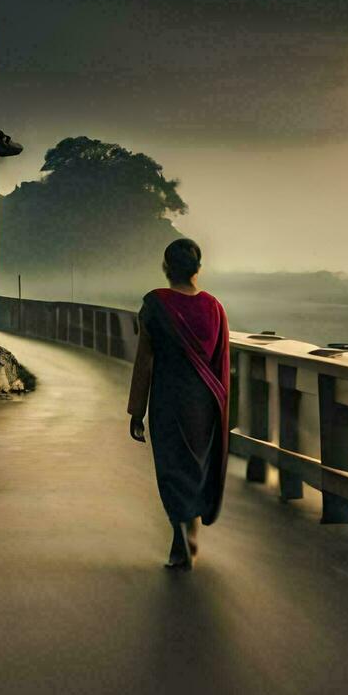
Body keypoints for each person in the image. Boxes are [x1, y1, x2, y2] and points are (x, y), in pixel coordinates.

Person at [126, 238, 230, 569]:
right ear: (197, 269)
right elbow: (220, 362)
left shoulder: (155, 305)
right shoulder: (214, 308)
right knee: (197, 467)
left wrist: (136, 411)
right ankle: (191, 533)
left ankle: (179, 538)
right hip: (204, 404)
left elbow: (145, 361)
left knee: (172, 470)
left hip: (167, 401)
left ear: (166, 268)